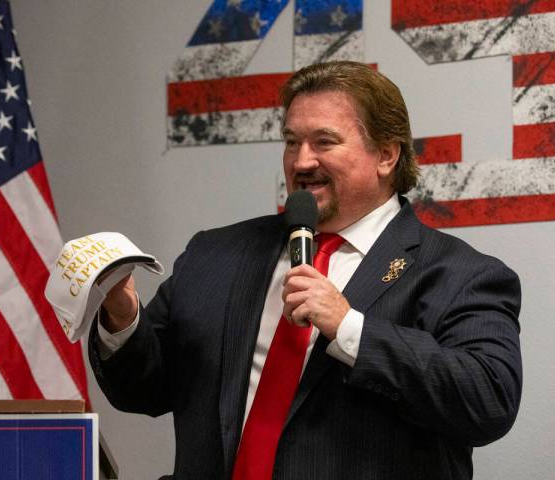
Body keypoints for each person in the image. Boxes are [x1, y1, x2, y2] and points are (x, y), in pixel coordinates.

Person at [88, 61, 522, 479]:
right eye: (292, 141)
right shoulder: (215, 254)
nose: (301, 162)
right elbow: (142, 390)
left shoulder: (461, 274)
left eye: (324, 142)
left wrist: (348, 327)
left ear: (387, 155)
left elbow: (487, 401)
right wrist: (123, 315)